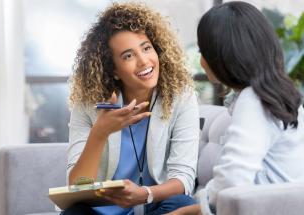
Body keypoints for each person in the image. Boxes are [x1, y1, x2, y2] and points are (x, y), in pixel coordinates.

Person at [168, 1, 304, 215]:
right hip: (274, 206)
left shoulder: (254, 99)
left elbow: (232, 179)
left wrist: (190, 210)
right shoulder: (278, 94)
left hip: (262, 209)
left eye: (204, 51)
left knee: (175, 205)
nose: (201, 61)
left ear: (224, 56)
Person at [64, 2, 200, 215]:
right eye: (128, 56)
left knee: (182, 203)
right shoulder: (88, 105)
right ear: (114, 70)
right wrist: (100, 133)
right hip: (104, 212)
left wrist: (145, 193)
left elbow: (183, 178)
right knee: (75, 211)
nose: (144, 61)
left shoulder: (181, 98)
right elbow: (77, 188)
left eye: (146, 48)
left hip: (155, 206)